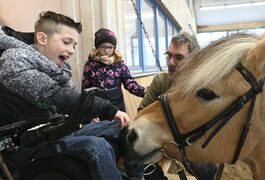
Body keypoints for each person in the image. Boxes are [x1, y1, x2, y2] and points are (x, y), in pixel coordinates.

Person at [0, 11, 137, 180]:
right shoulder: (14, 60)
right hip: (33, 141)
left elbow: (73, 97)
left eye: (74, 45)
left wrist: (88, 114)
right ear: (42, 39)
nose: (71, 51)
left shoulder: (58, 69)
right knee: (97, 147)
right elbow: (57, 95)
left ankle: (137, 177)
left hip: (59, 129)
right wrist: (107, 109)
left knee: (130, 129)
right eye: (67, 42)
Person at [138, 32, 218, 180]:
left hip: (193, 143)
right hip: (164, 141)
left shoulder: (205, 86)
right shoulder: (160, 82)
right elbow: (141, 113)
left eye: (179, 57)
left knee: (207, 168)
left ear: (194, 60)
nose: (171, 62)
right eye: (169, 55)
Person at [82, 28, 146, 112]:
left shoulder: (119, 63)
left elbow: (129, 82)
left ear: (114, 48)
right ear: (97, 47)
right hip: (98, 109)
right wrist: (88, 113)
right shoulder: (90, 65)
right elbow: (86, 90)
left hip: (118, 108)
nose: (107, 50)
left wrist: (143, 92)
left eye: (110, 47)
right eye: (103, 47)